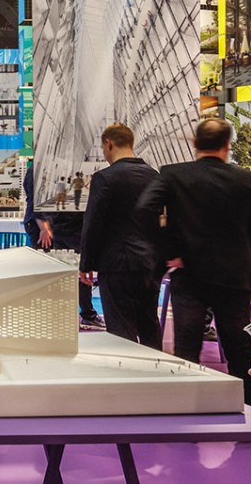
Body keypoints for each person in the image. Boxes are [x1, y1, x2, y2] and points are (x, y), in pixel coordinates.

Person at [134, 116, 251, 404]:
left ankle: (186, 407)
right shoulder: (247, 180)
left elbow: (144, 209)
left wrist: (170, 251)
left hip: (190, 274)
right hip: (235, 276)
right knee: (239, 350)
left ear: (195, 143)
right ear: (227, 145)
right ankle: (246, 407)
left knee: (186, 348)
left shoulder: (173, 174)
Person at [77, 123, 161, 348]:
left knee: (121, 331)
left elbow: (93, 223)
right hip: (150, 264)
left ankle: (128, 370)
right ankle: (156, 369)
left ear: (109, 144)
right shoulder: (154, 176)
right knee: (150, 325)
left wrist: (86, 264)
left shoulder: (104, 178)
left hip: (116, 265)